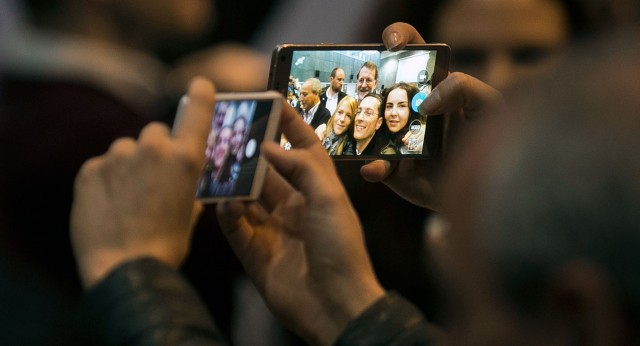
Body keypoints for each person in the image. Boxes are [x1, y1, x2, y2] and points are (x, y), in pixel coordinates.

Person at [378, 82, 427, 155]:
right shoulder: (379, 136)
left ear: (411, 111)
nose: (393, 113)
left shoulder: (415, 138)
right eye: (389, 106)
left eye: (402, 106)